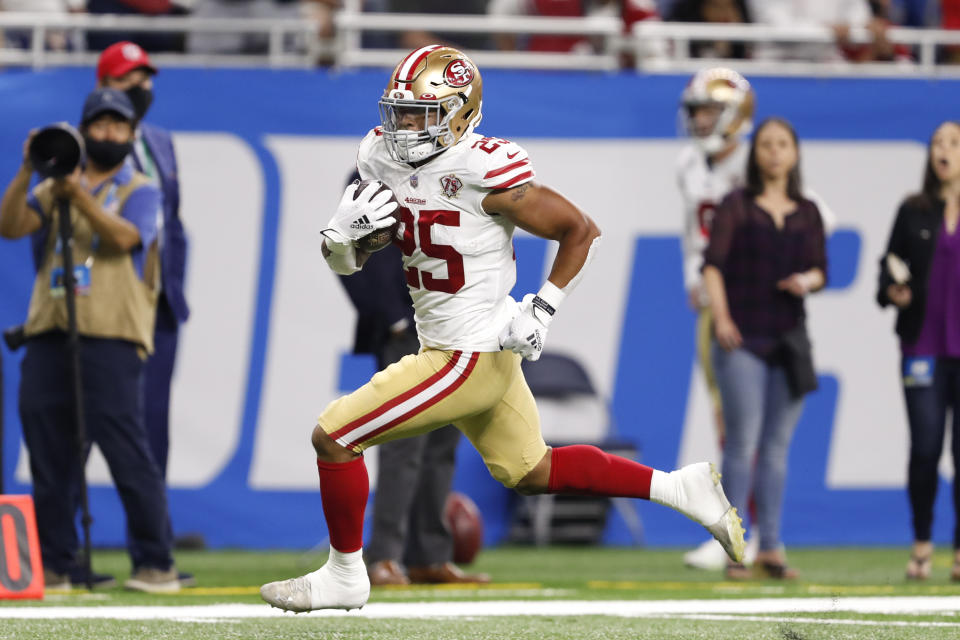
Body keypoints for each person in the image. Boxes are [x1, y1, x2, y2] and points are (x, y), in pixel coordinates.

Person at [259, 45, 745, 613]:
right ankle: (681, 488)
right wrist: (339, 243)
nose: (406, 125)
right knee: (531, 470)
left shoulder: (483, 168)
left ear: (461, 113)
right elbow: (351, 263)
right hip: (459, 346)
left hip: (464, 354)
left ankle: (346, 574)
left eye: (423, 113)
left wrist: (542, 307)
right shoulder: (379, 156)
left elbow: (580, 231)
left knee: (334, 435)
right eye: (401, 111)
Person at [0, 88, 182, 593]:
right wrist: (28, 171)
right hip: (49, 330)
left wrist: (77, 194)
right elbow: (9, 226)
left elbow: (125, 239)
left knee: (126, 450)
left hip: (112, 334)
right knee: (48, 451)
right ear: (83, 132)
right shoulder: (53, 186)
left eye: (118, 127)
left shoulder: (141, 188)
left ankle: (155, 561)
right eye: (99, 126)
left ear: (130, 135)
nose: (109, 135)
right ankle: (56, 564)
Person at [676, 67, 837, 571]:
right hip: (723, 305)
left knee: (748, 434)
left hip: (761, 310)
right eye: (697, 111)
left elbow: (818, 220)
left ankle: (749, 531)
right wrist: (694, 276)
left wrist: (783, 270)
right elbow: (692, 232)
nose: (701, 120)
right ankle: (738, 532)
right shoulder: (688, 164)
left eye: (710, 110)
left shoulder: (756, 168)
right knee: (733, 426)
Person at [339, 169, 489, 586]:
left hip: (453, 325)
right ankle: (385, 555)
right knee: (404, 445)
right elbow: (344, 250)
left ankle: (428, 555)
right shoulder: (371, 173)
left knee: (442, 444)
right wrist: (392, 320)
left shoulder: (456, 168)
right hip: (409, 329)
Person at [702, 117, 827, 580]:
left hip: (788, 340)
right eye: (766, 144)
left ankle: (771, 547)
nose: (774, 152)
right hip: (743, 339)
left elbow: (820, 269)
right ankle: (736, 549)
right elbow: (712, 266)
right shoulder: (737, 204)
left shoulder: (807, 210)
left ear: (794, 153)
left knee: (776, 450)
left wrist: (806, 280)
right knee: (742, 444)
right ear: (755, 154)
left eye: (783, 144)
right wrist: (724, 318)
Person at [876, 120, 960, 581]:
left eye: (952, 143)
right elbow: (886, 271)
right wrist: (893, 290)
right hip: (922, 346)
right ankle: (923, 544)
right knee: (926, 448)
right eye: (936, 143)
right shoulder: (913, 211)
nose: (942, 151)